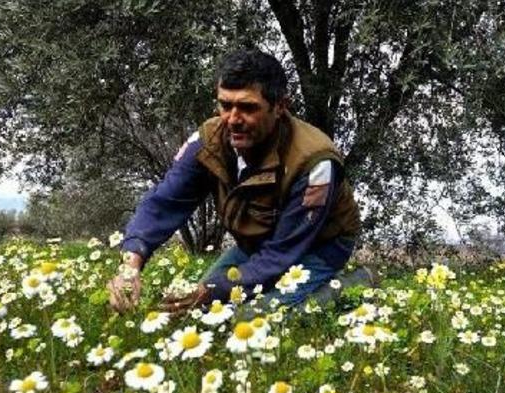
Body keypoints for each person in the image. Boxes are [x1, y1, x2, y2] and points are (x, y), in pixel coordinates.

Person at [108, 49, 360, 313]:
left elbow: (282, 255)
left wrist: (212, 292)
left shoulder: (315, 163)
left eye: (248, 108)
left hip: (317, 246)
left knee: (255, 320)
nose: (233, 120)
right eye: (225, 105)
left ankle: (355, 282)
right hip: (259, 244)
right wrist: (130, 265)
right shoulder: (208, 142)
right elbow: (163, 203)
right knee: (199, 312)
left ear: (280, 107)